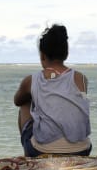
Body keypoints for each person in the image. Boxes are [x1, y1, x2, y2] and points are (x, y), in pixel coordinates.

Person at [14, 24, 91, 157]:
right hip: (82, 150)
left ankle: (29, 155)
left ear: (42, 56)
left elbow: (17, 101)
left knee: (24, 105)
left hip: (42, 151)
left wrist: (35, 95)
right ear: (66, 53)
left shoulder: (31, 80)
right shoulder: (80, 78)